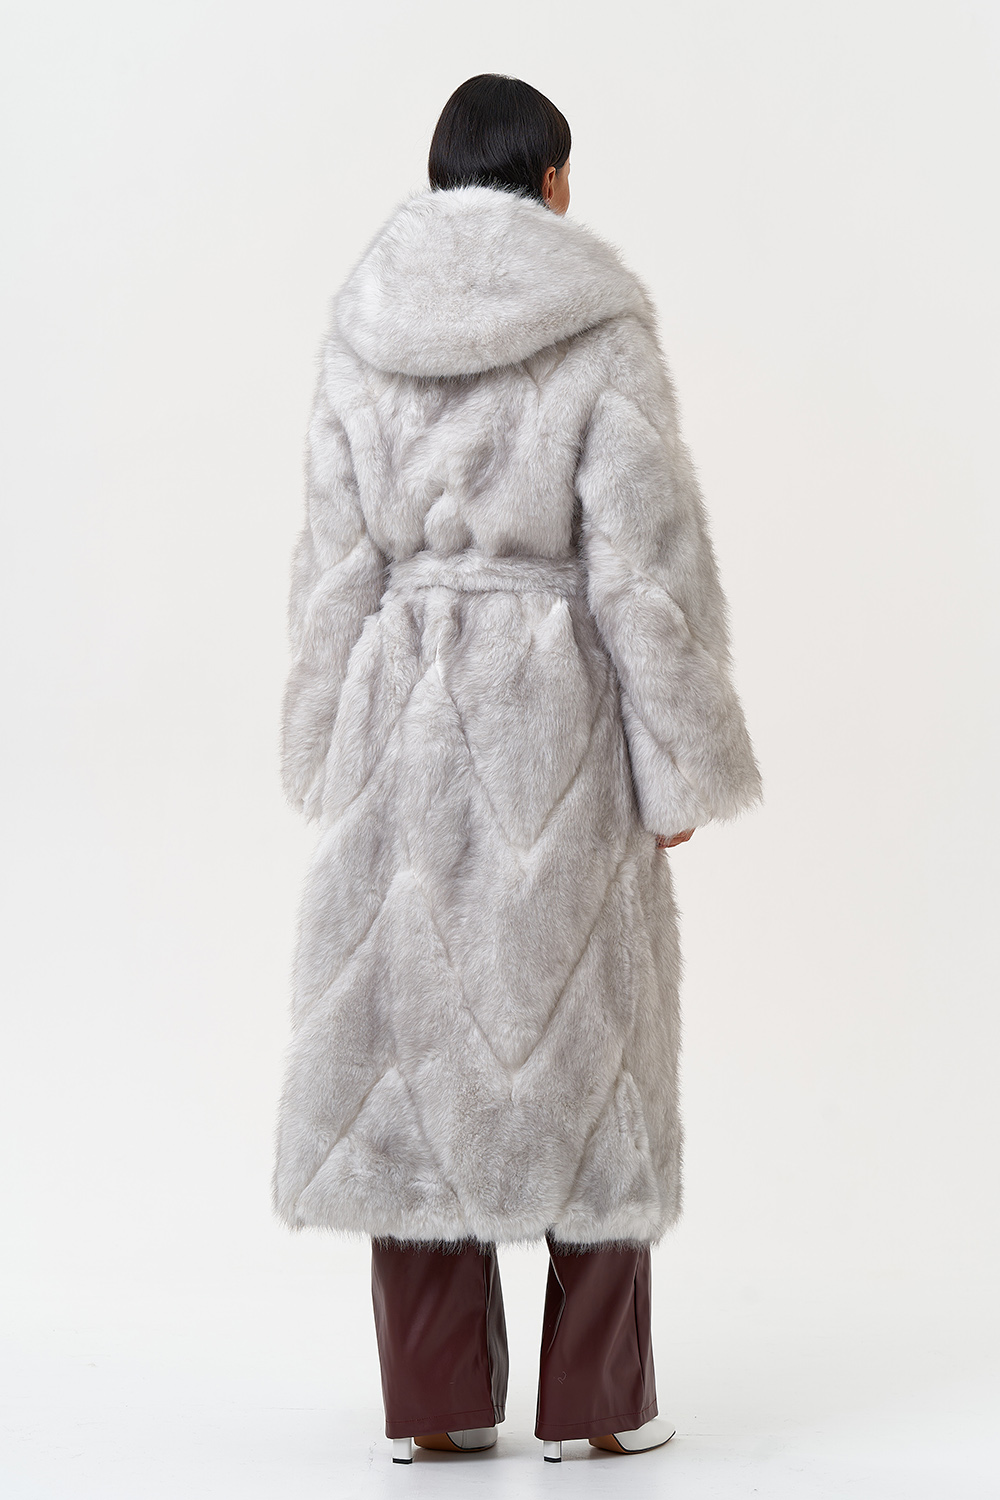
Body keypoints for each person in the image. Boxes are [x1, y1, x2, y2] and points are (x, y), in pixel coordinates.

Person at [272, 72, 762, 1464]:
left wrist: (325, 741)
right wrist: (678, 765)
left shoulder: (365, 327)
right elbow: (645, 572)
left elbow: (332, 566)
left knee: (410, 1051)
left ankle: (436, 1409)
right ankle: (599, 1407)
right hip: (559, 719)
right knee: (592, 1049)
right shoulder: (598, 328)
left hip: (400, 718)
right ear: (549, 180)